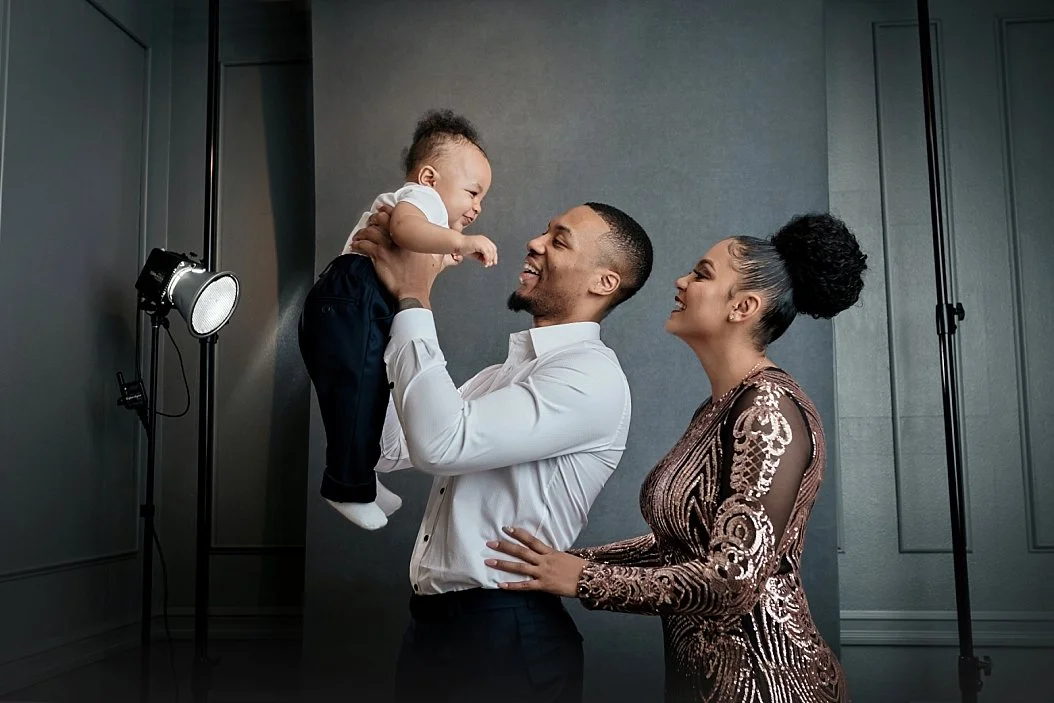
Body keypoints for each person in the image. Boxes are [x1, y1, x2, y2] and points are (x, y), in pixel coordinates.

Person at [485, 213, 867, 703]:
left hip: (769, 685)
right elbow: (680, 543)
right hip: (702, 684)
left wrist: (585, 579)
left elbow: (732, 582)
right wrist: (563, 564)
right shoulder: (718, 408)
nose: (681, 281)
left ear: (744, 306)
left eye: (702, 274)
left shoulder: (768, 410)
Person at [349, 201, 654, 703]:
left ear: (603, 282)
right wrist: (377, 308)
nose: (534, 242)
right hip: (434, 630)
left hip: (503, 639)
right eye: (544, 229)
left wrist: (414, 297)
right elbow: (390, 446)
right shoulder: (500, 375)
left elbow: (440, 443)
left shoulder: (591, 377)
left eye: (559, 240)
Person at [298, 110, 497, 531]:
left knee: (374, 393)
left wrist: (440, 257)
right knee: (357, 394)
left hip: (358, 303)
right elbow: (406, 232)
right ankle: (345, 486)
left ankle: (362, 477)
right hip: (352, 300)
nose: (477, 207)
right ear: (428, 178)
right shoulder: (416, 200)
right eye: (472, 193)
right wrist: (460, 240)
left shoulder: (427, 212)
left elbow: (414, 260)